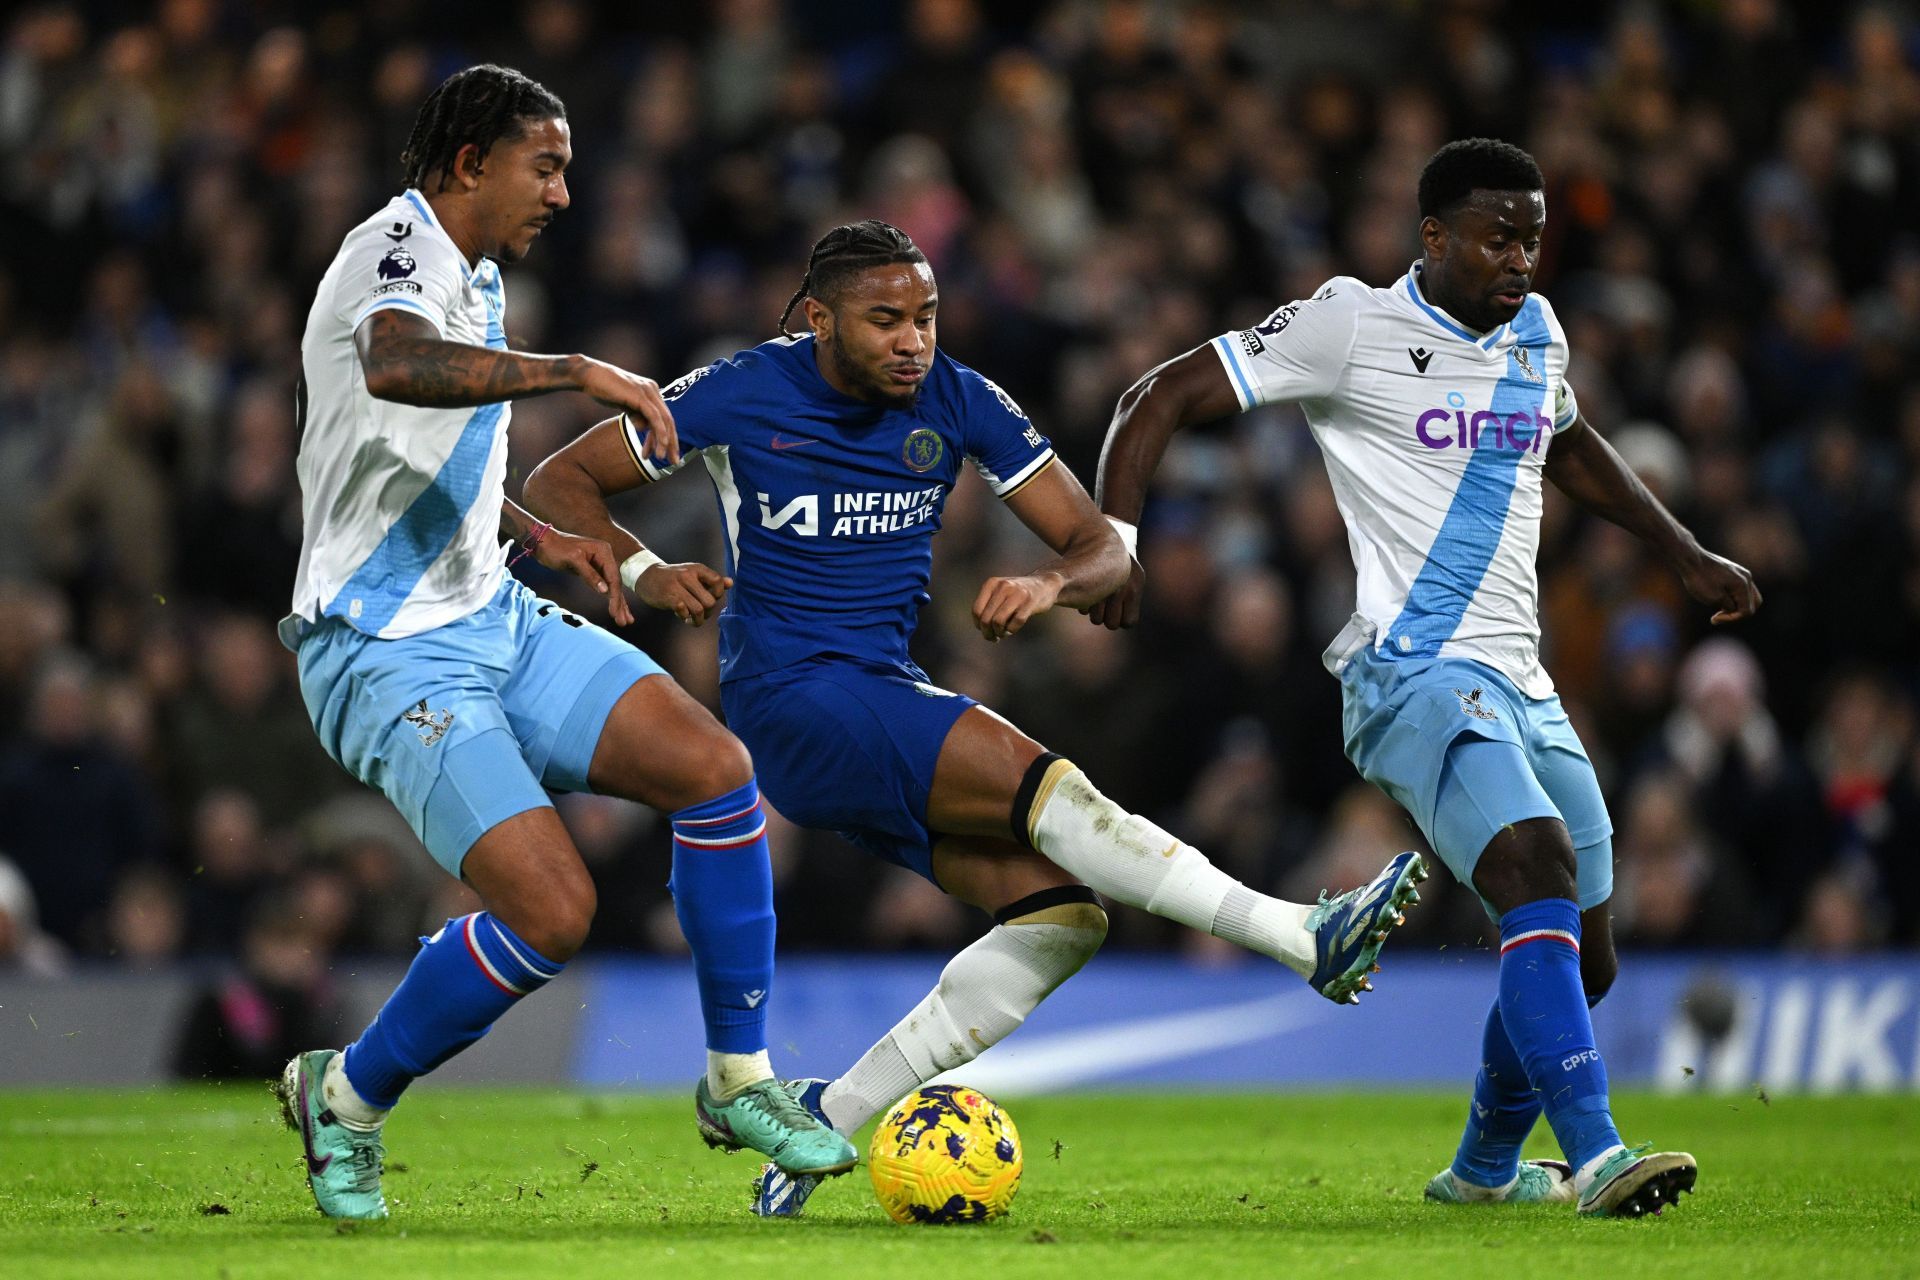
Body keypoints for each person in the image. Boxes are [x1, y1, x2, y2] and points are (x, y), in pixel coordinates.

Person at [523, 219, 1428, 1218]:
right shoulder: (743, 391)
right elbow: (558, 477)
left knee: (1062, 918)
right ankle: (1303, 934)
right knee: (1051, 785)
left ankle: (825, 1111)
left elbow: (1101, 547)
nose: (913, 339)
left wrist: (1048, 584)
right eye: (885, 320)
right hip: (794, 698)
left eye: (925, 315)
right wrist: (647, 571)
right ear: (819, 319)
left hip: (876, 692)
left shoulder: (959, 398)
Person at [1092, 139, 1763, 1218]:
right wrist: (1115, 538)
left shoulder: (1539, 335)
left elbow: (1572, 441)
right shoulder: (1349, 324)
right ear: (1434, 236)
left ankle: (1485, 1171)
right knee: (1533, 864)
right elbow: (1154, 395)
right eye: (1499, 236)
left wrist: (1682, 548)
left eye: (1535, 238)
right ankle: (1596, 1154)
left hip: (1521, 679)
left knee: (1585, 963)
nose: (1521, 258)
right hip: (1408, 672)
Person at [272, 64, 853, 1222]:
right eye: (547, 165)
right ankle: (344, 1094)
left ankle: (739, 1079)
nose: (565, 193)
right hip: (381, 647)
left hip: (492, 610)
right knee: (552, 910)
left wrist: (561, 537)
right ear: (468, 163)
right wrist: (578, 369)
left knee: (717, 771)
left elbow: (422, 457)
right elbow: (395, 363)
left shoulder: (474, 274)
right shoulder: (392, 257)